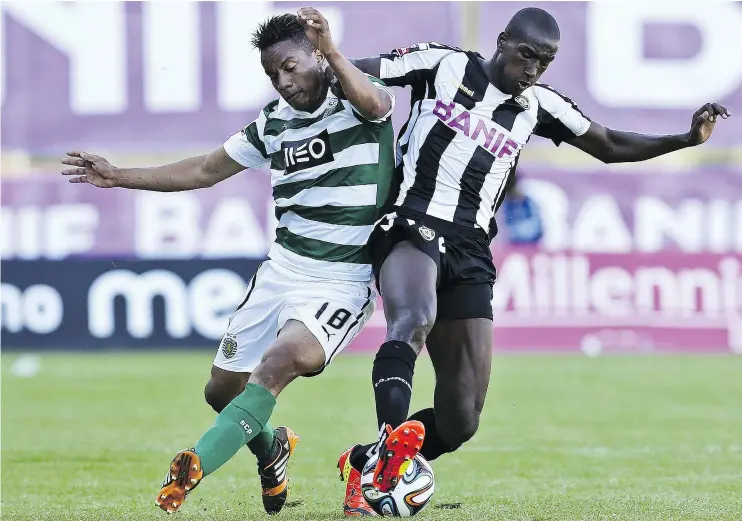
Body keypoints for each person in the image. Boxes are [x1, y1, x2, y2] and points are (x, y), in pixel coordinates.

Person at [332, 6, 730, 516]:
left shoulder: (538, 106)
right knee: (413, 319)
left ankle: (365, 462)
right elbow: (357, 72)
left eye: (545, 62)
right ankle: (387, 456)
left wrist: (683, 138)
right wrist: (319, 55)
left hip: (472, 249)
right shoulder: (442, 65)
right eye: (527, 56)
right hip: (413, 222)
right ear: (502, 41)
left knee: (462, 419)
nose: (534, 69)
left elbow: (607, 144)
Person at [61, 10, 395, 515]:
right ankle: (272, 449)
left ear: (314, 55)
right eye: (272, 74)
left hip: (341, 277)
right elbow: (202, 169)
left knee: (282, 363)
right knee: (222, 391)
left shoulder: (355, 98)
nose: (284, 81)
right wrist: (117, 176)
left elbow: (377, 104)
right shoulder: (271, 123)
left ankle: (193, 464)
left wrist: (332, 51)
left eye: (290, 65)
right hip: (282, 269)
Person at [501, 172, 544, 245]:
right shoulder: (506, 205)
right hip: (512, 246)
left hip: (532, 244)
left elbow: (538, 229)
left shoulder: (530, 202)